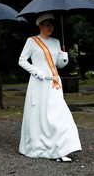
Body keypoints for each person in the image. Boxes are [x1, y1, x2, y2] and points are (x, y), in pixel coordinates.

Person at [18, 13, 81, 162]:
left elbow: (58, 64)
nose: (50, 28)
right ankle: (37, 146)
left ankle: (61, 148)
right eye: (47, 25)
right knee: (39, 115)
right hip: (39, 82)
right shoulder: (32, 41)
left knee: (59, 115)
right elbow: (22, 60)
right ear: (39, 25)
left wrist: (64, 59)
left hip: (54, 82)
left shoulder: (56, 42)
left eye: (52, 25)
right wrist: (36, 71)